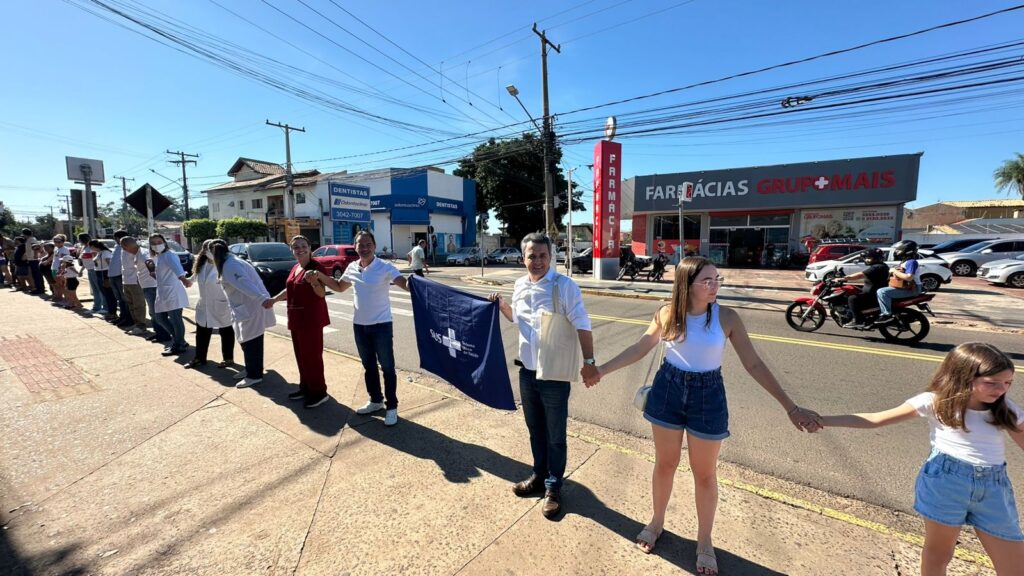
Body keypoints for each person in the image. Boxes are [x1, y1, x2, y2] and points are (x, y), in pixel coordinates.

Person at [586, 256, 821, 572]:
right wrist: (602, 370)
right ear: (687, 285)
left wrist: (790, 407)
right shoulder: (667, 313)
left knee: (705, 474)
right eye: (707, 281)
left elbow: (754, 364)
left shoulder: (727, 317)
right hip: (668, 390)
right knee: (665, 464)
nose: (715, 286)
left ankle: (705, 540)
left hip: (708, 395)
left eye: (717, 279)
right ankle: (656, 522)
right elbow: (640, 348)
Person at [820, 342, 1022, 576]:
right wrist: (821, 420)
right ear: (964, 376)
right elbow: (876, 419)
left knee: (1015, 562)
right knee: (938, 555)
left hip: (993, 488)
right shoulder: (935, 401)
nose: (1001, 389)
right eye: (992, 382)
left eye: (1007, 383)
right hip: (945, 483)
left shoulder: (1005, 409)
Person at [488, 233, 598, 520]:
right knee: (535, 429)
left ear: (551, 257)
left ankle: (553, 487)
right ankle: (539, 475)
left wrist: (589, 362)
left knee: (555, 435)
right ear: (523, 258)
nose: (537, 261)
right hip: (527, 372)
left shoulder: (564, 286)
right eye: (531, 256)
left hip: (554, 375)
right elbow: (517, 318)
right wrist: (502, 306)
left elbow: (582, 324)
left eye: (542, 256)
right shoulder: (520, 285)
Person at [311, 230, 409, 425]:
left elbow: (404, 284)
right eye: (360, 245)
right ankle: (375, 400)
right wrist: (320, 276)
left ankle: (392, 406)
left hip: (381, 325)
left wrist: (419, 285)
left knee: (387, 367)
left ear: (374, 246)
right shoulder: (352, 267)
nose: (364, 248)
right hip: (360, 326)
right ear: (355, 247)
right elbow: (339, 287)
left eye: (368, 244)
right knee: (369, 366)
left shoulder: (384, 267)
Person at [268, 235, 331, 408]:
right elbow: (289, 289)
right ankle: (306, 388)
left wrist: (314, 283)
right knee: (301, 356)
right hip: (296, 318)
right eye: (296, 247)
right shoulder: (296, 267)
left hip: (311, 320)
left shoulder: (316, 267)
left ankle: (319, 392)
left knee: (312, 357)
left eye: (303, 246)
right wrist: (274, 299)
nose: (300, 249)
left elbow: (321, 293)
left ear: (310, 248)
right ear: (291, 250)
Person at [216, 240, 275, 388]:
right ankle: (250, 368)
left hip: (251, 307)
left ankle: (254, 375)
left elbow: (244, 283)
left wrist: (262, 299)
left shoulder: (231, 265)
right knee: (245, 340)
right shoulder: (230, 262)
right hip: (244, 307)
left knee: (252, 341)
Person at [185, 239, 235, 370]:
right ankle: (199, 358)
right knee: (202, 332)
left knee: (226, 331)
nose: (209, 252)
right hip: (204, 304)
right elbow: (191, 280)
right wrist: (182, 279)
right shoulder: (201, 264)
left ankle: (228, 358)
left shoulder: (225, 264)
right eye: (207, 249)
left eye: (211, 249)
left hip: (222, 304)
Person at [147, 234, 191, 356]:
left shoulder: (169, 255)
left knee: (176, 319)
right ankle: (179, 340)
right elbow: (165, 275)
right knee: (160, 318)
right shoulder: (159, 256)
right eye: (153, 243)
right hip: (163, 292)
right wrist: (154, 275)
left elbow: (177, 269)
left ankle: (179, 344)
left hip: (172, 292)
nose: (156, 245)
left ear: (164, 242)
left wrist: (184, 280)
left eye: (159, 242)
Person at [119, 236, 166, 340]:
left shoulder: (143, 254)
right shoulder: (138, 253)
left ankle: (163, 334)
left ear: (127, 246)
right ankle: (159, 333)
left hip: (151, 286)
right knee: (153, 312)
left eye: (122, 246)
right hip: (146, 285)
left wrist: (154, 276)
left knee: (155, 312)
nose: (122, 249)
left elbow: (151, 264)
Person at [835, 247, 890, 328]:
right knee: (851, 291)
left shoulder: (877, 267)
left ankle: (858, 320)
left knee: (852, 298)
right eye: (866, 258)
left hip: (872, 295)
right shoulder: (880, 266)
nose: (866, 260)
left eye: (869, 258)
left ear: (876, 258)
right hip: (871, 291)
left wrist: (843, 278)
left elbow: (860, 275)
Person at [876, 240, 921, 324]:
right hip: (906, 287)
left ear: (907, 251)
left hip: (912, 289)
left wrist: (894, 271)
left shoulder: (911, 262)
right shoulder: (905, 262)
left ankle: (886, 315)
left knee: (882, 292)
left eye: (899, 250)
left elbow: (909, 277)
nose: (896, 252)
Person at [108, 230, 133, 327]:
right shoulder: (116, 247)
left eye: (116, 238)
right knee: (120, 299)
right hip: (113, 275)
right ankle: (122, 316)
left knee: (125, 299)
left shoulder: (127, 248)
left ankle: (128, 318)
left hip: (120, 276)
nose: (116, 240)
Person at [89, 240, 118, 322]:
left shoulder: (105, 253)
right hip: (100, 273)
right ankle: (110, 312)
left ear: (94, 246)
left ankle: (113, 313)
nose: (91, 249)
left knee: (109, 294)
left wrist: (108, 277)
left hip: (104, 273)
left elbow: (110, 264)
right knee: (106, 294)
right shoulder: (100, 253)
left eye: (91, 247)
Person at [77, 233, 106, 314]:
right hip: (89, 270)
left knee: (100, 289)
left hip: (94, 270)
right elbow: (85, 261)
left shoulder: (91, 247)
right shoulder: (84, 248)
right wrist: (81, 270)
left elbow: (96, 259)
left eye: (79, 239)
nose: (79, 241)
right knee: (95, 290)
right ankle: (96, 307)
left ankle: (104, 307)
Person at [48, 235, 71, 306]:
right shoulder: (56, 249)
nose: (56, 243)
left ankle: (67, 299)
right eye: (55, 241)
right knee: (58, 285)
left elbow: (64, 261)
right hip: (54, 268)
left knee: (63, 285)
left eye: (59, 241)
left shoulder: (64, 249)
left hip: (59, 269)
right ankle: (61, 298)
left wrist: (61, 270)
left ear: (63, 242)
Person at [22, 228, 43, 294]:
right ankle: (38, 288)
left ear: (25, 234)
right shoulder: (29, 239)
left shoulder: (32, 239)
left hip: (34, 259)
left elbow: (36, 247)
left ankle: (40, 289)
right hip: (31, 259)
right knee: (35, 275)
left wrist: (35, 254)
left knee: (37, 275)